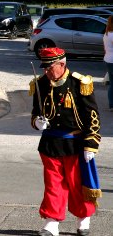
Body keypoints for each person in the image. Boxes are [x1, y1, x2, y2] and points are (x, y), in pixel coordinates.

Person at [29, 47, 101, 236]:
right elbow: (35, 111)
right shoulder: (41, 83)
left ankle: (83, 218)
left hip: (74, 143)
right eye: (44, 67)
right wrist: (37, 122)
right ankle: (52, 222)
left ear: (62, 64)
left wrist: (91, 144)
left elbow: (92, 116)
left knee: (76, 184)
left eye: (49, 67)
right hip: (50, 143)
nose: (46, 71)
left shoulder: (79, 83)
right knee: (53, 185)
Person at [103, 15, 113, 110]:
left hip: (108, 60)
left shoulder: (106, 34)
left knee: (112, 84)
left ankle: (111, 105)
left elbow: (105, 49)